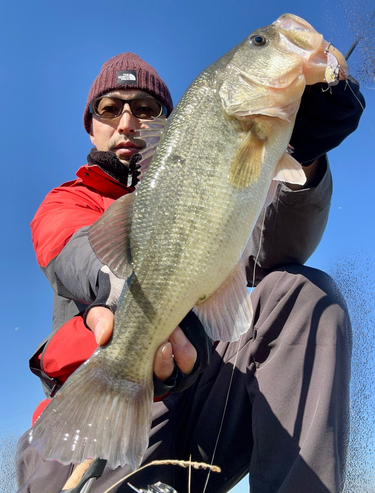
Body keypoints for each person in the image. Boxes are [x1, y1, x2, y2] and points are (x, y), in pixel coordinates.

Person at [16, 51, 365, 493]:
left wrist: (306, 158)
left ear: (170, 122)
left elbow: (277, 249)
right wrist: (153, 301)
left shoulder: (208, 190)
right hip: (91, 411)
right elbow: (77, 252)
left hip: (198, 403)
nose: (127, 122)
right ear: (91, 124)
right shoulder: (66, 201)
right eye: (110, 108)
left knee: (304, 295)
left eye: (146, 109)